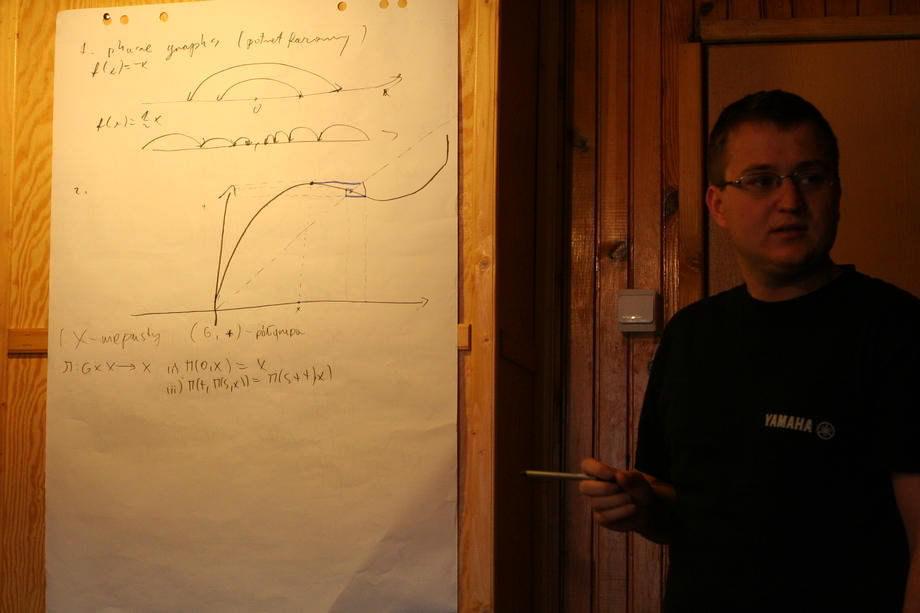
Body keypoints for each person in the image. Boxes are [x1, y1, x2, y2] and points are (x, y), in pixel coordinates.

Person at [579, 90, 920, 612]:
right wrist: (640, 506)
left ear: (837, 192)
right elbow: (681, 510)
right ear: (718, 205)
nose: (791, 201)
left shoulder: (898, 328)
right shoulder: (689, 336)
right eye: (761, 180)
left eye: (811, 177)